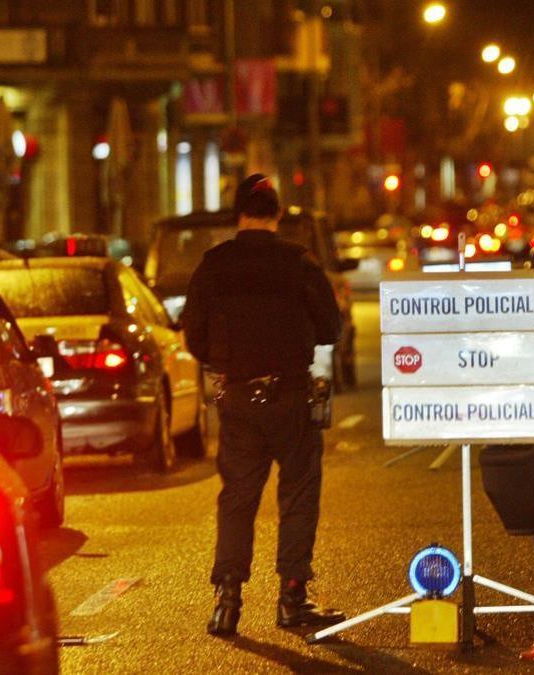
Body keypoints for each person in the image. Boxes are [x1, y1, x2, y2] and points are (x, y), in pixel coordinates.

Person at [182, 174, 346, 637]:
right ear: (276, 214)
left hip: (237, 398)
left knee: (237, 498)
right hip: (291, 396)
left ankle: (227, 602)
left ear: (239, 214)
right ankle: (292, 598)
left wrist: (224, 361)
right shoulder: (298, 263)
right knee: (298, 494)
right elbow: (331, 327)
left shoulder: (214, 265)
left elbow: (192, 333)